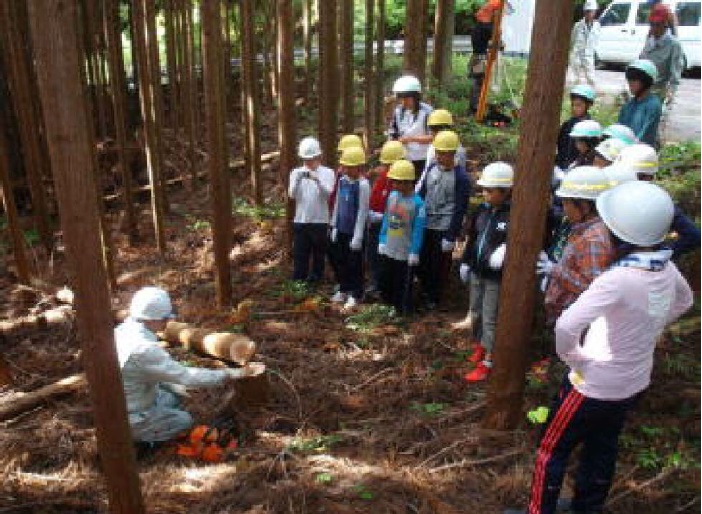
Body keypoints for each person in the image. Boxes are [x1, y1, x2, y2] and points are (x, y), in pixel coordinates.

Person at [505, 182, 693, 514]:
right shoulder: (665, 266)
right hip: (632, 382)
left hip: (592, 386)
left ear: (621, 234)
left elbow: (566, 327)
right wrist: (649, 328)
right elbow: (684, 300)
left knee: (551, 449)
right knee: (602, 448)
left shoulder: (617, 279)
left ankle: (539, 511)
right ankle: (587, 508)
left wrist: (578, 361)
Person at [115, 287, 265, 444]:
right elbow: (186, 376)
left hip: (129, 400)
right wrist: (229, 374)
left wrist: (172, 385)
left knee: (173, 396)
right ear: (151, 319)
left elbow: (143, 370)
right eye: (165, 318)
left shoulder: (122, 331)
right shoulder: (143, 349)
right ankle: (141, 441)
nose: (167, 322)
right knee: (184, 421)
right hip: (130, 416)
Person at [455, 162, 513, 382]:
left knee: (490, 317)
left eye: (490, 190)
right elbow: (473, 238)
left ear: (505, 191)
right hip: (477, 271)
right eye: (484, 190)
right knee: (476, 312)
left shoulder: (511, 215)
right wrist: (465, 262)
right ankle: (480, 345)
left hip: (495, 277)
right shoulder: (482, 210)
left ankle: (489, 359)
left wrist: (506, 250)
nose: (485, 194)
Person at [538, 167, 616, 326]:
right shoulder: (583, 229)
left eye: (567, 203)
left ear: (585, 206)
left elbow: (591, 288)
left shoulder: (593, 240)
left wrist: (554, 270)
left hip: (575, 322)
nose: (564, 209)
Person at [416, 130, 471, 309]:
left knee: (438, 265)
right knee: (423, 259)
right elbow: (422, 192)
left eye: (443, 154)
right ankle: (423, 290)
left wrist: (451, 235)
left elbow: (460, 208)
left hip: (444, 226)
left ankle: (434, 296)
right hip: (426, 222)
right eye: (438, 152)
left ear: (453, 154)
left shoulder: (461, 178)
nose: (439, 157)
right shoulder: (431, 169)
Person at [617, 143, 701, 260]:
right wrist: (662, 256)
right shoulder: (661, 202)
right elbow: (694, 236)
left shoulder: (619, 198)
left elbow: (695, 236)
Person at [378, 159, 426, 316]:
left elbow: (418, 230)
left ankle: (402, 312)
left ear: (408, 182)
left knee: (402, 284)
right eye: (393, 181)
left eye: (398, 182)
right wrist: (382, 239)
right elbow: (387, 218)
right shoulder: (392, 196)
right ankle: (388, 306)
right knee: (386, 280)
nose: (394, 185)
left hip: (405, 252)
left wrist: (414, 251)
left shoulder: (418, 204)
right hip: (389, 248)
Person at [288, 136, 336, 283]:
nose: (308, 162)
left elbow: (328, 194)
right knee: (300, 255)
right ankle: (299, 284)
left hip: (320, 221)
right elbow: (292, 195)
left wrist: (317, 180)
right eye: (305, 159)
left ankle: (316, 282)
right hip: (301, 220)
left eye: (311, 159)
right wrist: (297, 180)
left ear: (318, 156)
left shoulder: (328, 173)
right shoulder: (296, 172)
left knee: (319, 257)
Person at [329, 146, 371, 310]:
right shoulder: (342, 181)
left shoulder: (363, 185)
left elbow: (362, 211)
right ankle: (344, 288)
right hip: (341, 229)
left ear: (358, 167)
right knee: (341, 261)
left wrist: (358, 236)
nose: (344, 169)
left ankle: (356, 292)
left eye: (348, 166)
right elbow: (338, 204)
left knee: (355, 263)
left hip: (355, 233)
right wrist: (334, 225)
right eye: (344, 166)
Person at [367, 140, 406, 296]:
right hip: (376, 225)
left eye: (390, 165)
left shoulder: (402, 183)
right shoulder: (382, 178)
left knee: (388, 259)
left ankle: (387, 290)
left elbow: (402, 209)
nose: (387, 168)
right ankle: (375, 284)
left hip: (392, 226)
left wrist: (383, 218)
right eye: (386, 165)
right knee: (373, 256)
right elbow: (375, 197)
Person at [389, 75, 434, 177]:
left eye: (407, 98)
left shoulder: (427, 112)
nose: (403, 102)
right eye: (401, 98)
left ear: (416, 97)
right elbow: (393, 132)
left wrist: (411, 139)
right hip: (403, 157)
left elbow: (433, 137)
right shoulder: (398, 111)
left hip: (422, 158)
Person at [640, 3, 683, 104]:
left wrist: (670, 94)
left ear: (665, 24)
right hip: (643, 91)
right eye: (652, 24)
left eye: (657, 24)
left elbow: (675, 75)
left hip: (659, 94)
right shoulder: (649, 40)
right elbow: (641, 63)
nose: (654, 27)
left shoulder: (674, 44)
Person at [415, 109, 468, 190]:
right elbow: (426, 173)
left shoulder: (457, 150)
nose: (432, 132)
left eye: (435, 129)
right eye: (432, 128)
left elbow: (457, 177)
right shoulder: (433, 145)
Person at [618, 59, 662, 147]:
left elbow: (645, 134)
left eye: (634, 79)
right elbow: (620, 128)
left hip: (641, 150)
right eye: (629, 79)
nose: (630, 83)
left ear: (646, 81)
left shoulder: (653, 105)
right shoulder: (629, 105)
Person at [555, 85, 596, 170]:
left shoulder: (592, 129)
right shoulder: (567, 125)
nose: (574, 108)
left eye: (578, 105)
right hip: (561, 168)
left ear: (588, 105)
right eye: (573, 105)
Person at [566, 0, 600, 88]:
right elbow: (572, 40)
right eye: (588, 11)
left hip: (588, 55)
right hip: (577, 54)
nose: (589, 14)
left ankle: (591, 96)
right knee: (575, 79)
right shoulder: (578, 25)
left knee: (591, 78)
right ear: (584, 12)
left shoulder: (597, 26)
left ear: (595, 12)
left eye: (591, 11)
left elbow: (596, 41)